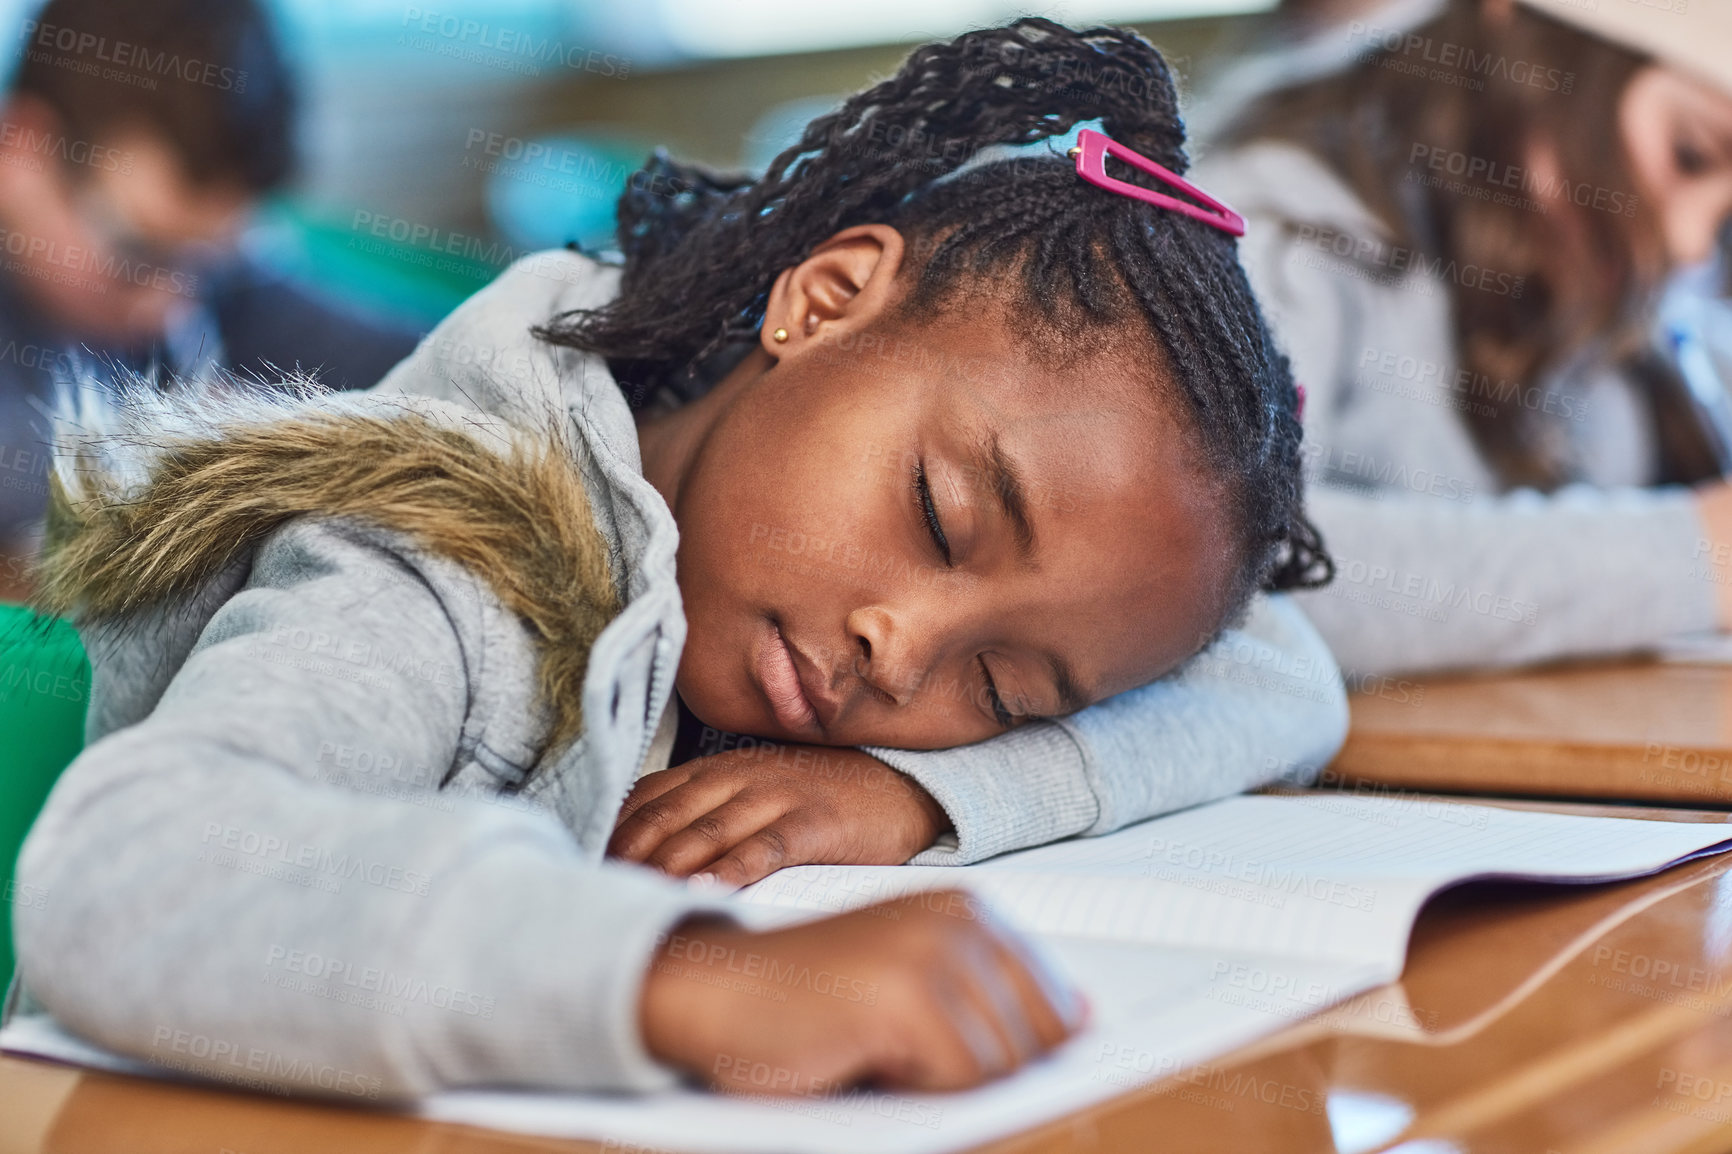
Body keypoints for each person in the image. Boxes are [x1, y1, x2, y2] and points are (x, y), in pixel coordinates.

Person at [12, 19, 1346, 1100]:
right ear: (823, 298)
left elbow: (1281, 667)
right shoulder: (445, 565)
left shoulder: (803, 616)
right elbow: (131, 876)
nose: (906, 650)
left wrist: (916, 796)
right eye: (942, 517)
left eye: (1006, 686)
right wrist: (677, 979)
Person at [1189, 0, 1732, 676]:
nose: (1690, 243)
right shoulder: (1266, 231)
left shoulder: (1611, 308)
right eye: (1690, 153)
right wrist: (1691, 554)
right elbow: (1228, 564)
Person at [0, 0, 418, 556]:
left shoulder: (204, 266)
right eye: (136, 250)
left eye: (206, 259)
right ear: (21, 146)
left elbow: (410, 353)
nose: (170, 306)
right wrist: (231, 436)